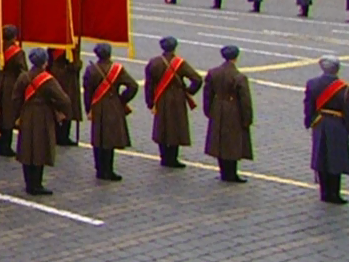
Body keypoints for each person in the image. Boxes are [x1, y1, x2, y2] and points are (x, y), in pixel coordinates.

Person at [14, 46, 71, 196]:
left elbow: (15, 99)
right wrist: (56, 108)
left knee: (28, 148)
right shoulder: (48, 80)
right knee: (39, 148)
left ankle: (28, 183)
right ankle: (37, 184)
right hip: (42, 115)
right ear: (44, 62)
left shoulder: (23, 77)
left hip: (26, 114)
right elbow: (64, 99)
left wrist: (18, 114)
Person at [304, 56, 349, 204]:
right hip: (337, 124)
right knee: (336, 158)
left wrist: (309, 122)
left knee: (321, 157)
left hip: (319, 123)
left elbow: (309, 106)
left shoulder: (312, 83)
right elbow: (348, 112)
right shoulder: (344, 88)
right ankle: (334, 193)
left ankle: (324, 192)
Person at [82, 42, 138, 181]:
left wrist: (88, 108)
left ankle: (100, 169)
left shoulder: (91, 70)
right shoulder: (117, 69)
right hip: (113, 106)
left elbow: (87, 93)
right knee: (110, 139)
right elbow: (133, 86)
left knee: (98, 138)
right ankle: (109, 169)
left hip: (97, 106)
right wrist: (122, 100)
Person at [145, 36, 202, 168]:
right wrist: (189, 91)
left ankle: (164, 156)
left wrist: (150, 102)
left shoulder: (154, 63)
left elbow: (149, 85)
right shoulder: (180, 63)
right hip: (177, 98)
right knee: (176, 126)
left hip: (160, 97)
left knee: (162, 126)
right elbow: (197, 79)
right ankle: (173, 157)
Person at [204, 45, 254, 183]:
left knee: (220, 140)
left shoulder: (213, 73)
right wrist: (247, 119)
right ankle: (231, 173)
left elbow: (207, 94)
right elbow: (245, 100)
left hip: (218, 107)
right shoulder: (239, 77)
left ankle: (223, 171)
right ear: (236, 57)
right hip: (233, 109)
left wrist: (209, 110)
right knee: (232, 142)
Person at [0, 25, 25, 158]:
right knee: (9, 116)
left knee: (0, 113)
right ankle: (6, 146)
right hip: (11, 84)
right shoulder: (17, 52)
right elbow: (22, 71)